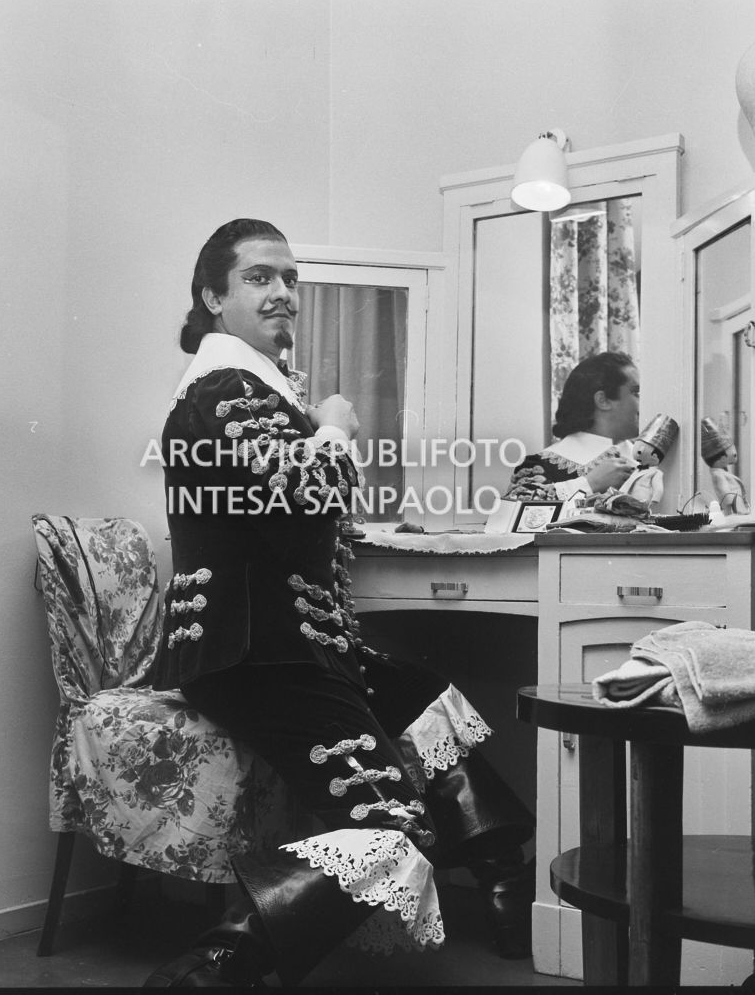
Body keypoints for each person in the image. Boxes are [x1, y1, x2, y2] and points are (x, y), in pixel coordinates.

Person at [145, 219, 536, 987]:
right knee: (394, 828)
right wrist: (331, 429)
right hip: (255, 653)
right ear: (211, 297)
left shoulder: (253, 386)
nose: (283, 292)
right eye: (259, 277)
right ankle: (209, 969)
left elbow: (288, 523)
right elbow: (308, 498)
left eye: (289, 278)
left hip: (290, 644)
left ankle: (501, 880)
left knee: (430, 703)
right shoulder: (224, 386)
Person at [504, 351, 640, 503]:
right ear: (603, 400)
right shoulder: (540, 466)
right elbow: (514, 515)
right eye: (636, 392)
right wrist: (589, 483)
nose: (644, 401)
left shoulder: (650, 461)